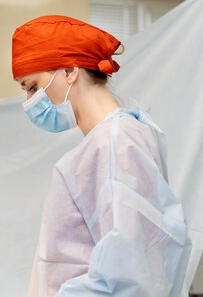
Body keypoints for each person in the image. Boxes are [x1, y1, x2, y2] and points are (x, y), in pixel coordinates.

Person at [12, 15, 192, 296]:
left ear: (71, 70)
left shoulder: (114, 143)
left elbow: (130, 273)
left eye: (33, 87)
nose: (31, 102)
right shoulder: (116, 138)